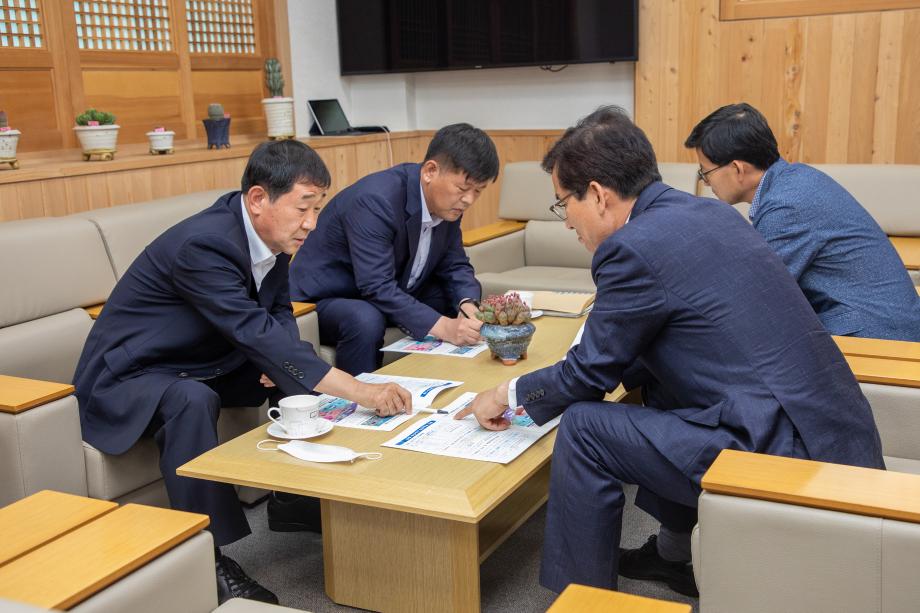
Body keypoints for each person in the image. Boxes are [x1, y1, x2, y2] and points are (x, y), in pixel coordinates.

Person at [457, 106, 884, 598]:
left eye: (563, 203)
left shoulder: (631, 248)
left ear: (597, 194)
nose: (566, 220)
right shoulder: (707, 212)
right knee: (656, 378)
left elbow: (587, 377)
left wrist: (506, 394)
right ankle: (674, 555)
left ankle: (582, 600)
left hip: (779, 451)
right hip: (832, 432)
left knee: (585, 427)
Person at [72, 140, 411, 605]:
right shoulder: (204, 244)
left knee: (290, 368)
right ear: (257, 199)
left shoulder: (273, 237)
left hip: (197, 360)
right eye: (303, 208)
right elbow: (254, 331)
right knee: (194, 398)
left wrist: (281, 362)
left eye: (318, 208)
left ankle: (297, 501)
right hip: (132, 375)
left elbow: (278, 313)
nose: (312, 223)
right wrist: (359, 390)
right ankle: (206, 556)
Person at [685, 102, 920, 341]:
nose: (706, 182)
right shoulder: (794, 179)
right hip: (879, 321)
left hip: (878, 334)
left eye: (706, 172)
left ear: (738, 169)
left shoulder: (786, 206)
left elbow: (755, 294)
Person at [288, 123, 499, 376]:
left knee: (449, 297)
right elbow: (376, 285)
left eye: (478, 191)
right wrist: (445, 327)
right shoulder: (376, 201)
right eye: (463, 189)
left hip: (384, 288)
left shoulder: (448, 205)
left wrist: (468, 305)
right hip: (323, 299)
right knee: (365, 318)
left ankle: (441, 379)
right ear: (430, 171)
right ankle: (359, 394)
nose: (469, 200)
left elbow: (454, 264)